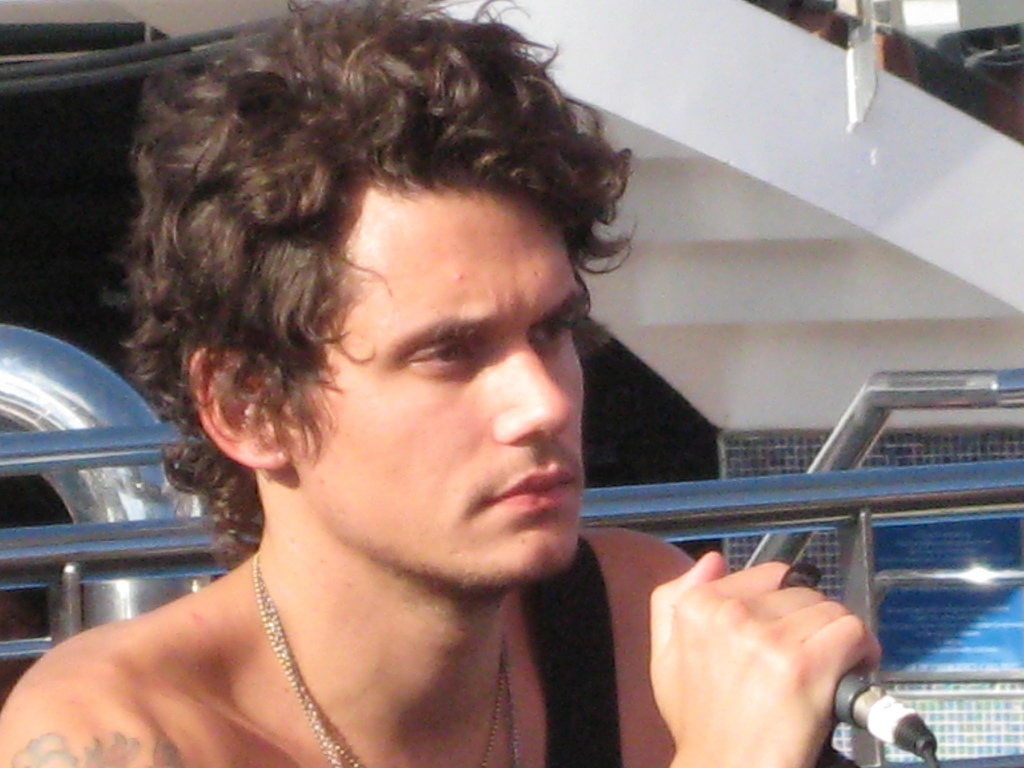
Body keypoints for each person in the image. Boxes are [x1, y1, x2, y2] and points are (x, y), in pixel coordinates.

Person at [0, 2, 879, 767]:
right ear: (247, 406)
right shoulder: (115, 731)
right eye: (449, 353)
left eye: (552, 331)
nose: (543, 402)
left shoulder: (637, 626)